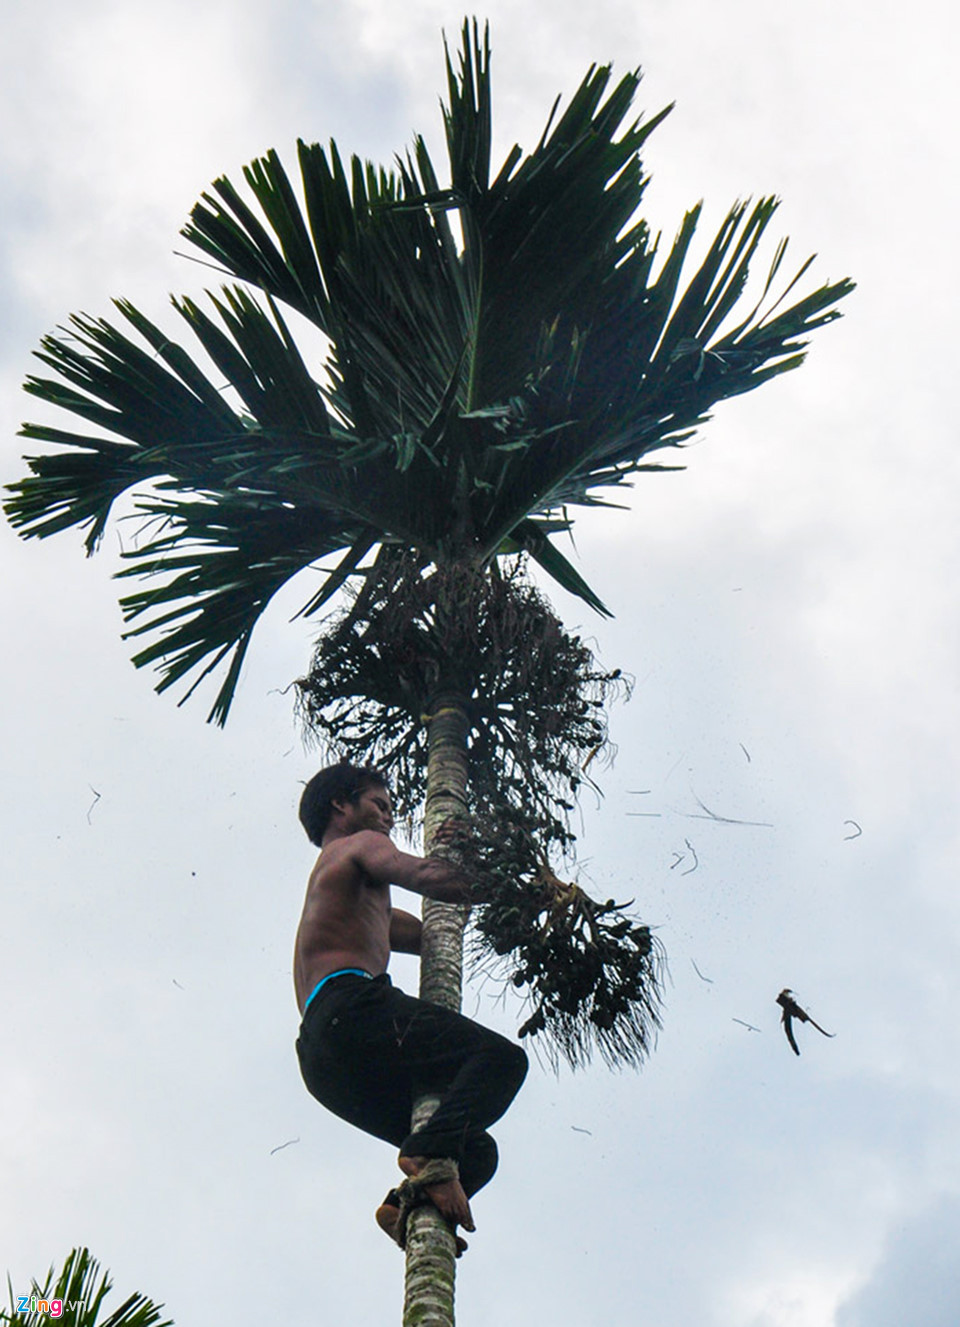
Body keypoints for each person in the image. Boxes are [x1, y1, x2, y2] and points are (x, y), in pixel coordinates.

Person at [293, 761, 528, 1253]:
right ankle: (427, 1153)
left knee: (478, 1152)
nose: (387, 820)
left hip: (323, 1060)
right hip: (351, 1007)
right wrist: (504, 877)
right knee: (501, 1059)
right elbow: (428, 875)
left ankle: (404, 1206)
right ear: (341, 805)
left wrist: (506, 923)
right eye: (379, 806)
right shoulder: (361, 846)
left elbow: (430, 936)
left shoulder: (344, 887)